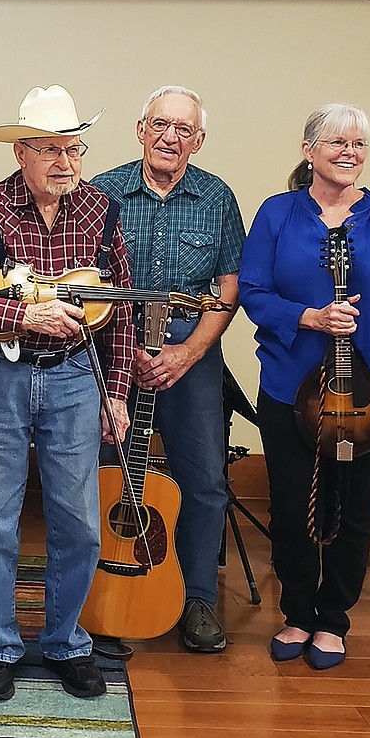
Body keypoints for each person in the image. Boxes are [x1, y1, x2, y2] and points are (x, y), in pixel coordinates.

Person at [0, 85, 136, 703]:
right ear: (21, 152)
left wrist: (117, 391)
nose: (63, 162)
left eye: (72, 149)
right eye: (48, 149)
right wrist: (22, 318)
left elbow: (121, 311)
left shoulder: (102, 211)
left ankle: (66, 642)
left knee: (79, 522)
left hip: (76, 378)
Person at [240, 103, 370, 670]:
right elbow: (253, 291)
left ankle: (333, 621)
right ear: (308, 150)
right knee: (293, 510)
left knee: (351, 508)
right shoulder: (277, 214)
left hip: (369, 393)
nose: (349, 153)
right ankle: (297, 612)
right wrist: (309, 318)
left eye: (360, 145)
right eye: (336, 142)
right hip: (289, 387)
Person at [92, 85, 245, 653]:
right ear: (140, 129)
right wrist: (124, 348)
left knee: (203, 480)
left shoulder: (216, 197)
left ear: (198, 141)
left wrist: (189, 352)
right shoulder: (102, 192)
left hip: (192, 351)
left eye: (184, 130)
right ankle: (105, 594)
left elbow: (230, 287)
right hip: (116, 344)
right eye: (161, 125)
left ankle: (197, 598)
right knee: (107, 472)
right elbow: (87, 280)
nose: (170, 137)